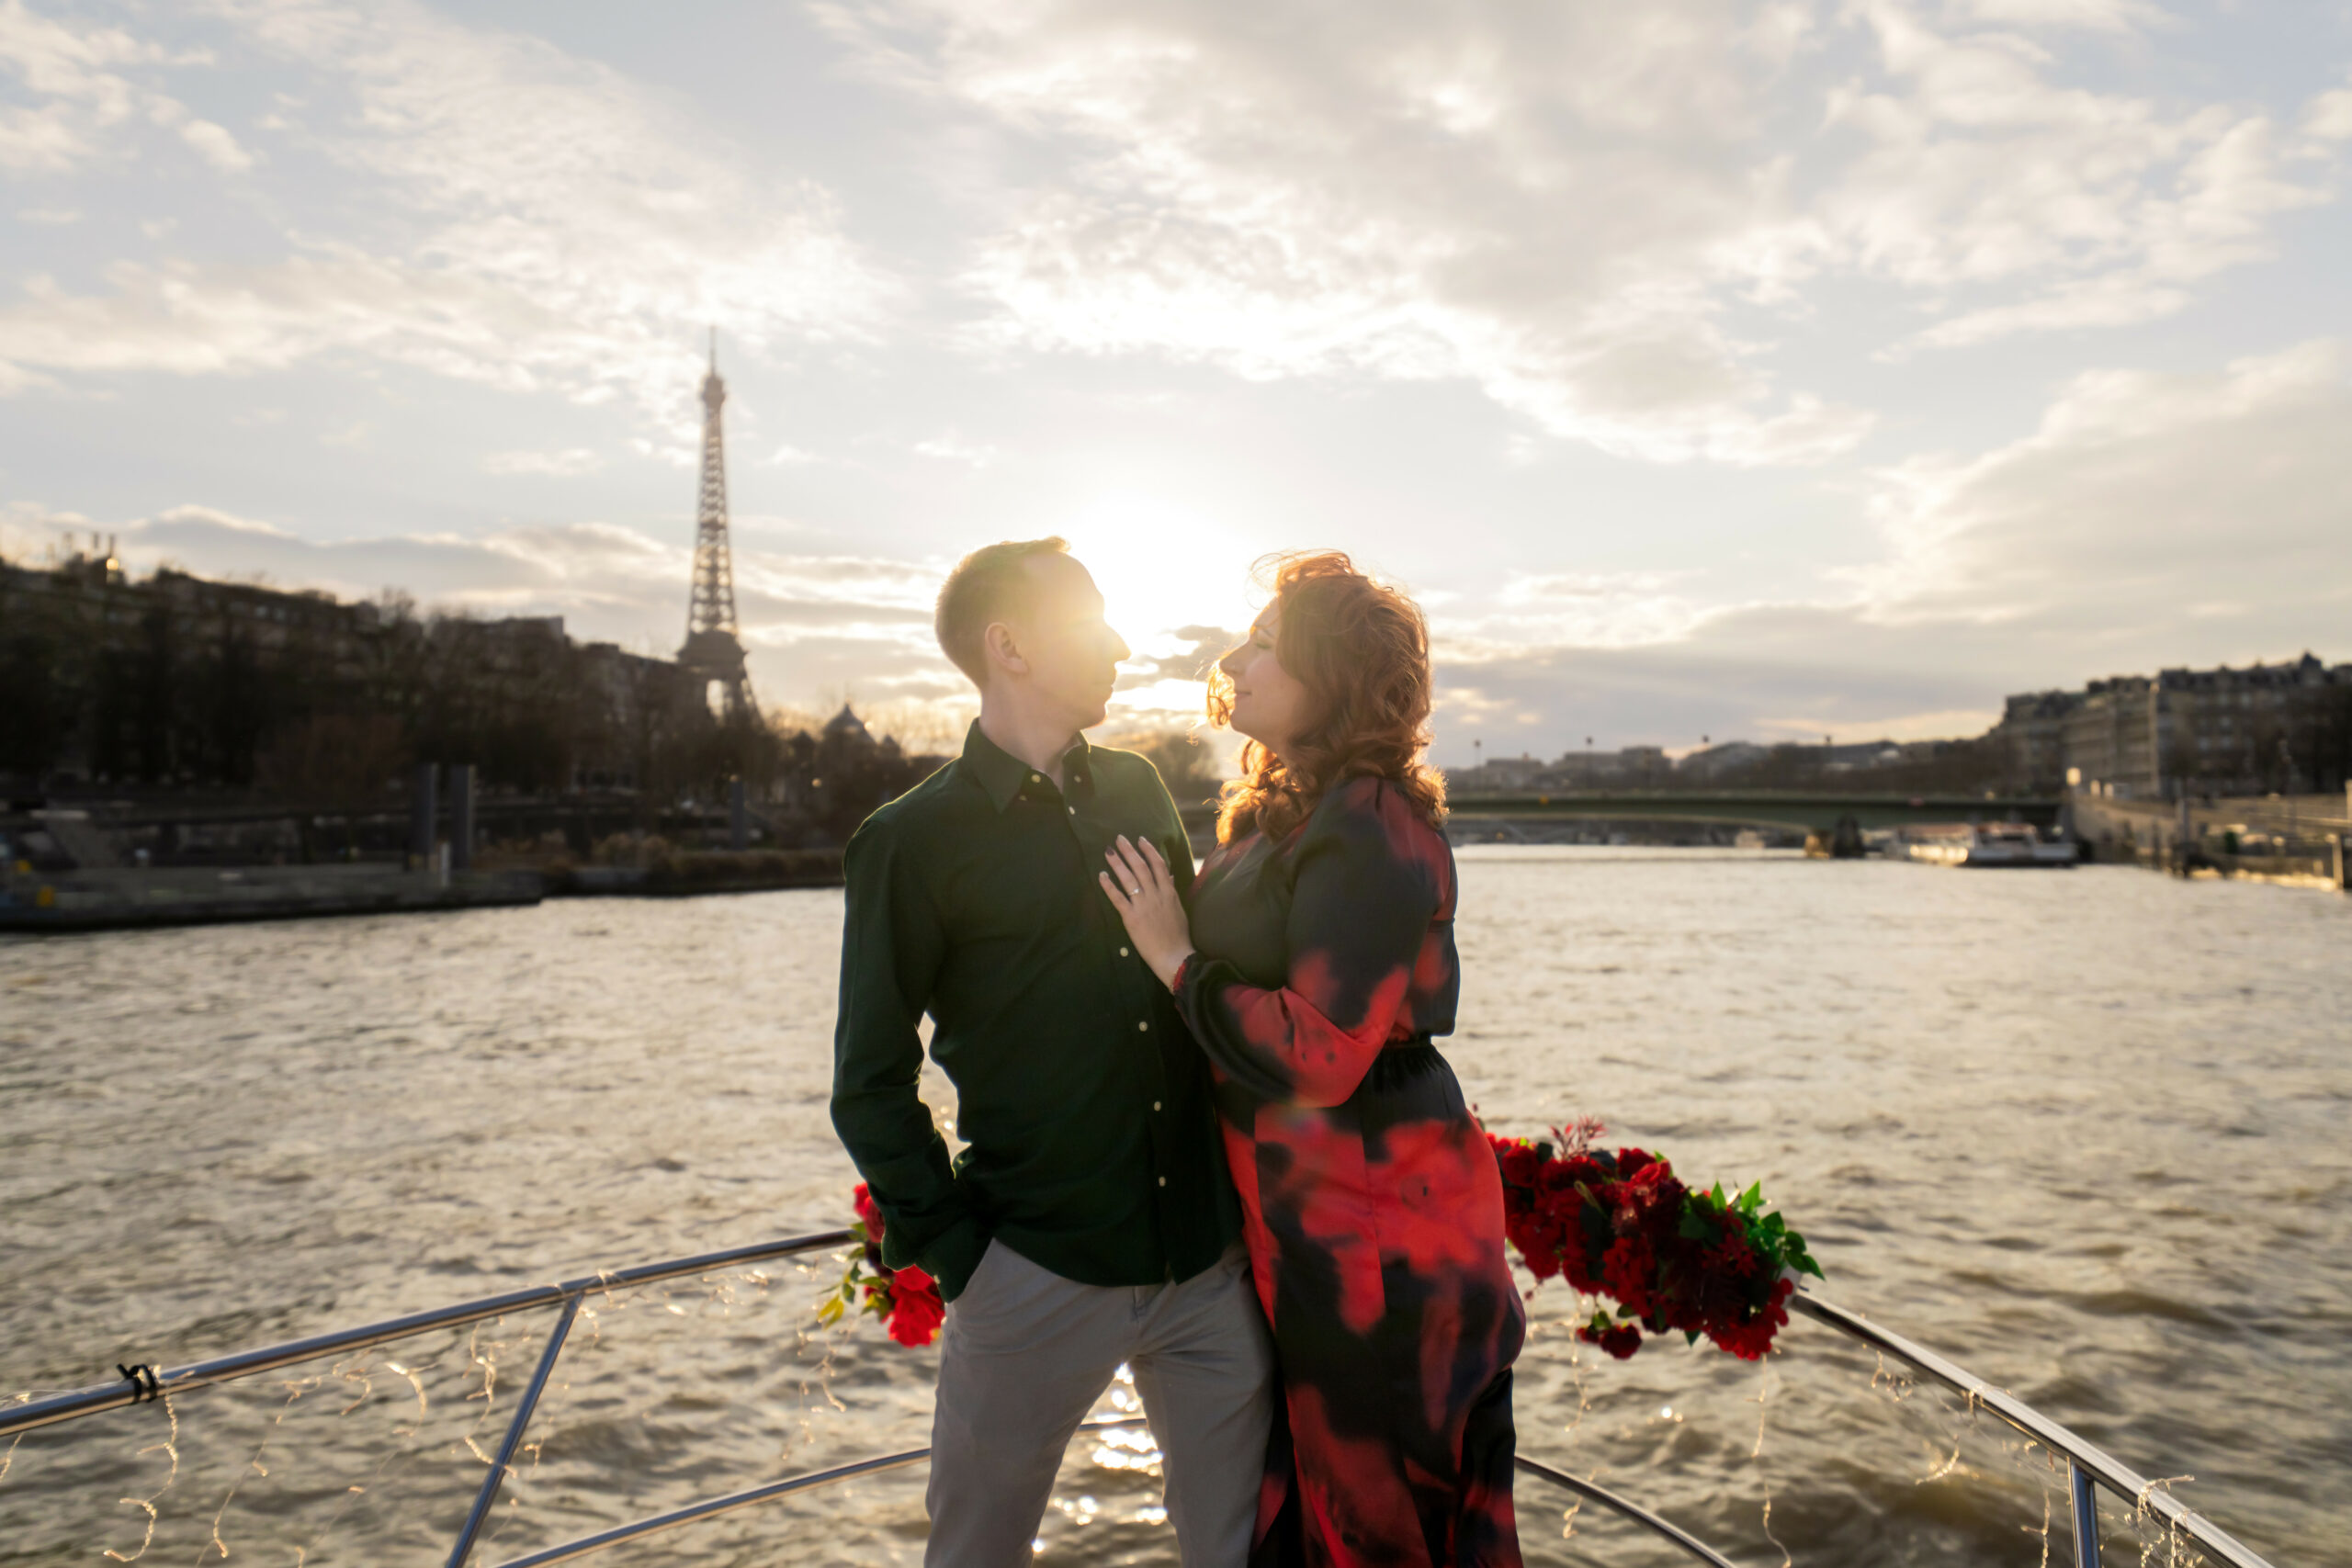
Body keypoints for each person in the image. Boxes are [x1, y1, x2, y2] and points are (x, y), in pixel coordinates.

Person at [831, 536, 1276, 1568]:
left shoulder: (1139, 789)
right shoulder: (909, 840)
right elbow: (869, 1083)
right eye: (1090, 620)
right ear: (1010, 647)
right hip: (1034, 1273)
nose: (1118, 644)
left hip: (1204, 1269)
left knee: (1242, 1552)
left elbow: (1195, 985)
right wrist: (963, 1262)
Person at [1101, 550, 1523, 1567]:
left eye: (1265, 646)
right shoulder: (1284, 810)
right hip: (1312, 1223)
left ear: (1329, 676)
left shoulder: (1369, 819)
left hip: (1378, 1235)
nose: (1232, 662)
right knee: (1331, 1512)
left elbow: (1323, 1052)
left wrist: (1177, 962)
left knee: (1383, 1520)